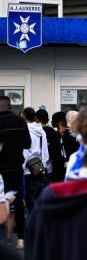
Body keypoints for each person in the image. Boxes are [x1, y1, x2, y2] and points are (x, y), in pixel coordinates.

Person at [0, 96, 31, 249]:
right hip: (16, 168)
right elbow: (28, 144)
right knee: (18, 203)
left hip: (1, 169)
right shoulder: (20, 121)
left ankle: (2, 238)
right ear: (10, 106)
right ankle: (21, 238)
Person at [22, 107, 51, 211]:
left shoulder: (25, 130)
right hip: (40, 169)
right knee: (38, 201)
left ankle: (33, 221)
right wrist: (44, 166)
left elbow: (25, 151)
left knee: (29, 201)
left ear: (23, 117)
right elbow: (45, 153)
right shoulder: (41, 131)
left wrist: (21, 168)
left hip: (27, 170)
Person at [37, 109, 66, 183]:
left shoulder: (36, 132)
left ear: (36, 119)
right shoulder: (54, 133)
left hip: (37, 168)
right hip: (51, 168)